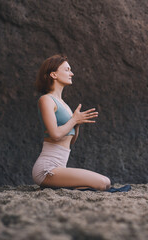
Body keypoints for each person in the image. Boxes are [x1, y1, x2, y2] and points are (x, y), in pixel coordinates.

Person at [32, 54, 111, 191]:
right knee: (103, 183)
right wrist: (74, 120)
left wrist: (77, 124)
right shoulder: (46, 100)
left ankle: (55, 187)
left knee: (106, 182)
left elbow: (71, 140)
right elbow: (55, 135)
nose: (72, 73)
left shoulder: (64, 105)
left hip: (60, 167)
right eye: (67, 70)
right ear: (54, 75)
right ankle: (50, 185)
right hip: (47, 169)